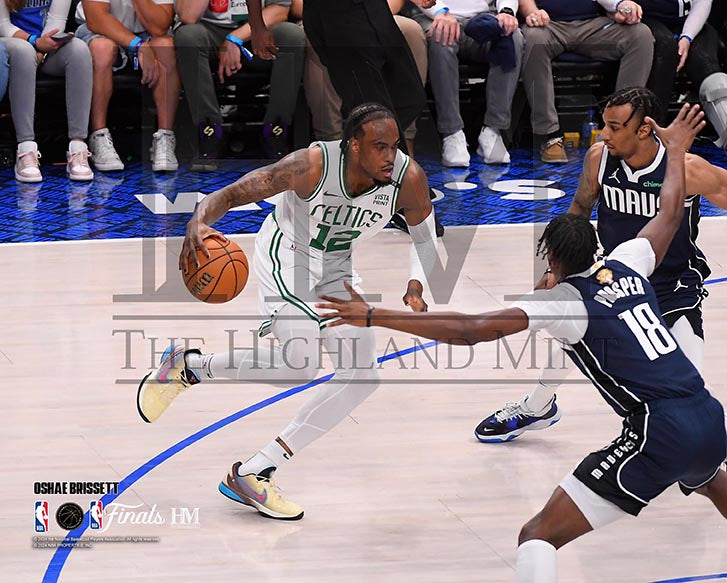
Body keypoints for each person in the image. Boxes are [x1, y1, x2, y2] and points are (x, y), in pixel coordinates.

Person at [317, 103, 727, 582]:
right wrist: (676, 152)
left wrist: (374, 314)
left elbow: (468, 331)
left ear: (552, 260)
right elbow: (671, 214)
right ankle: (539, 405)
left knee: (537, 535)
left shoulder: (563, 302)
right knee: (708, 478)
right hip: (710, 417)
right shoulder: (630, 260)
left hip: (662, 430)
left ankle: (540, 412)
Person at [136, 103, 440, 520]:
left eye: (394, 146)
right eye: (379, 147)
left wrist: (416, 285)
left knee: (362, 376)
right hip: (288, 255)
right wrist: (198, 221)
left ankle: (256, 471)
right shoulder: (311, 165)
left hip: (337, 267)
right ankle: (190, 366)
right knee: (300, 364)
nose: (390, 156)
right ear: (353, 146)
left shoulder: (408, 179)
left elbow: (426, 238)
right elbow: (235, 192)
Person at [476, 86, 727, 443]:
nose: (604, 134)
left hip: (673, 287)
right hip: (614, 277)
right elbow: (579, 209)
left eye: (614, 127)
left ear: (644, 129)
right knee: (571, 330)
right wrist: (556, 269)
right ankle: (538, 406)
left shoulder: (686, 169)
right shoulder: (599, 157)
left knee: (689, 390)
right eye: (604, 125)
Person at [518, 0, 653, 163]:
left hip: (593, 24)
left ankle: (623, 130)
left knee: (640, 35)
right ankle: (549, 135)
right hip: (548, 24)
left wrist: (621, 6)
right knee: (533, 39)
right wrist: (532, 12)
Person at [174, 0, 305, 168]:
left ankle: (275, 132)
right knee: (188, 35)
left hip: (258, 31)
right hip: (210, 34)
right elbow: (188, 16)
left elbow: (280, 10)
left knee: (291, 35)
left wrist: (235, 38)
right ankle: (210, 132)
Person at [409, 0, 523, 167]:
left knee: (512, 36)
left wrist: (507, 11)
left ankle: (493, 130)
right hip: (435, 16)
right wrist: (440, 11)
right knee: (441, 35)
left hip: (483, 17)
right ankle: (451, 132)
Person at [76, 0, 181, 172]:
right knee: (102, 48)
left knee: (165, 46)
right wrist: (138, 45)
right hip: (99, 30)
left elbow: (160, 27)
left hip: (147, 32)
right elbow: (96, 18)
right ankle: (99, 136)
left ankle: (165, 137)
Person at [1, 0, 93, 182]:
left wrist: (42, 51)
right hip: (12, 43)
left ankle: (78, 148)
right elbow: (3, 25)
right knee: (23, 51)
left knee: (79, 49)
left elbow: (56, 23)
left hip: (45, 48)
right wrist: (34, 42)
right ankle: (26, 150)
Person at [639, 0, 727, 150]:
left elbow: (702, 2)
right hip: (643, 19)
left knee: (707, 66)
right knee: (664, 48)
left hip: (690, 20)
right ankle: (649, 140)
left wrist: (687, 37)